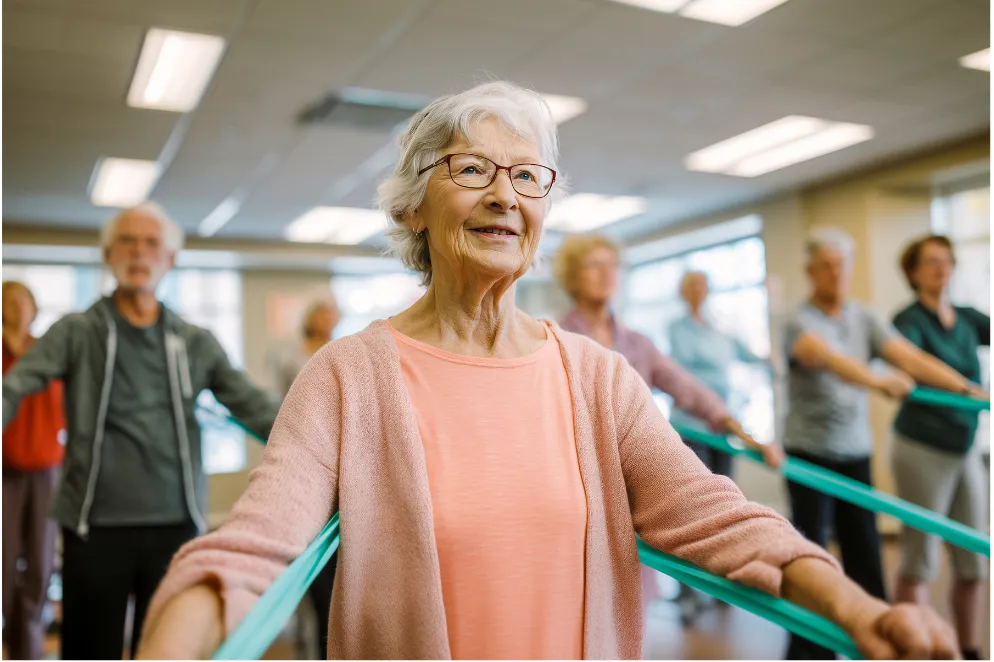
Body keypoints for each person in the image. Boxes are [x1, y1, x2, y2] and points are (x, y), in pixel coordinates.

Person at [138, 82, 956, 661]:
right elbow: (253, 546)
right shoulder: (348, 377)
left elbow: (717, 516)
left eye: (528, 176)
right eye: (472, 170)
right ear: (414, 206)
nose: (506, 195)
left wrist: (861, 610)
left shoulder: (596, 376)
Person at [1, 203, 280, 660]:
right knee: (91, 652)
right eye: (127, 241)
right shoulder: (75, 332)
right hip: (94, 529)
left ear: (170, 259)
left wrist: (330, 445)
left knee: (166, 651)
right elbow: (14, 386)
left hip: (175, 527)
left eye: (151, 242)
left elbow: (256, 407)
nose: (138, 252)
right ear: (108, 255)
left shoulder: (195, 342)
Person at [554, 234, 785, 624]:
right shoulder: (556, 336)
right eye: (594, 266)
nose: (607, 274)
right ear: (572, 279)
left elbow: (686, 387)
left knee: (628, 590)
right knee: (578, 589)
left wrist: (744, 434)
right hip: (577, 476)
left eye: (613, 265)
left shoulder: (637, 343)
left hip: (627, 474)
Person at [781, 226, 983, 660]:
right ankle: (809, 651)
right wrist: (877, 381)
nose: (836, 273)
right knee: (810, 553)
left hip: (855, 450)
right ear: (810, 272)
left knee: (865, 553)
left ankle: (877, 642)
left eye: (842, 265)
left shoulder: (864, 315)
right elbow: (830, 359)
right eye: (826, 266)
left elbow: (910, 359)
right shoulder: (799, 320)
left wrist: (966, 388)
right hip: (808, 454)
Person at [890, 234, 990, 661]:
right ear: (913, 272)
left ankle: (968, 650)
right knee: (920, 558)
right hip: (921, 446)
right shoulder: (909, 319)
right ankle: (914, 647)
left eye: (946, 261)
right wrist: (966, 388)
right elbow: (911, 362)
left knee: (973, 559)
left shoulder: (967, 318)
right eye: (931, 262)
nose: (941, 268)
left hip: (963, 446)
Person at [269, 295, 341, 660]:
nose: (329, 318)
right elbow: (283, 410)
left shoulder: (346, 353)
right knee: (313, 580)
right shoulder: (292, 357)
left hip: (341, 477)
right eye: (323, 312)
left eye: (334, 313)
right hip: (305, 465)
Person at [2, 281, 65, 660]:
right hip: (3, 474)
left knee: (41, 565)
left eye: (21, 300)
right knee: (4, 562)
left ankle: (30, 647)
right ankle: (8, 641)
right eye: (7, 301)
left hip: (46, 472)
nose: (15, 307)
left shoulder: (48, 353)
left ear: (34, 308)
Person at [669, 270, 776, 479]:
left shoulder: (718, 329)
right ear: (684, 292)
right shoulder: (678, 329)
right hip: (692, 424)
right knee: (702, 489)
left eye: (702, 285)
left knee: (726, 485)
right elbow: (682, 373)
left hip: (723, 423)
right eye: (693, 286)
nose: (699, 291)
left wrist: (768, 360)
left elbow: (743, 352)